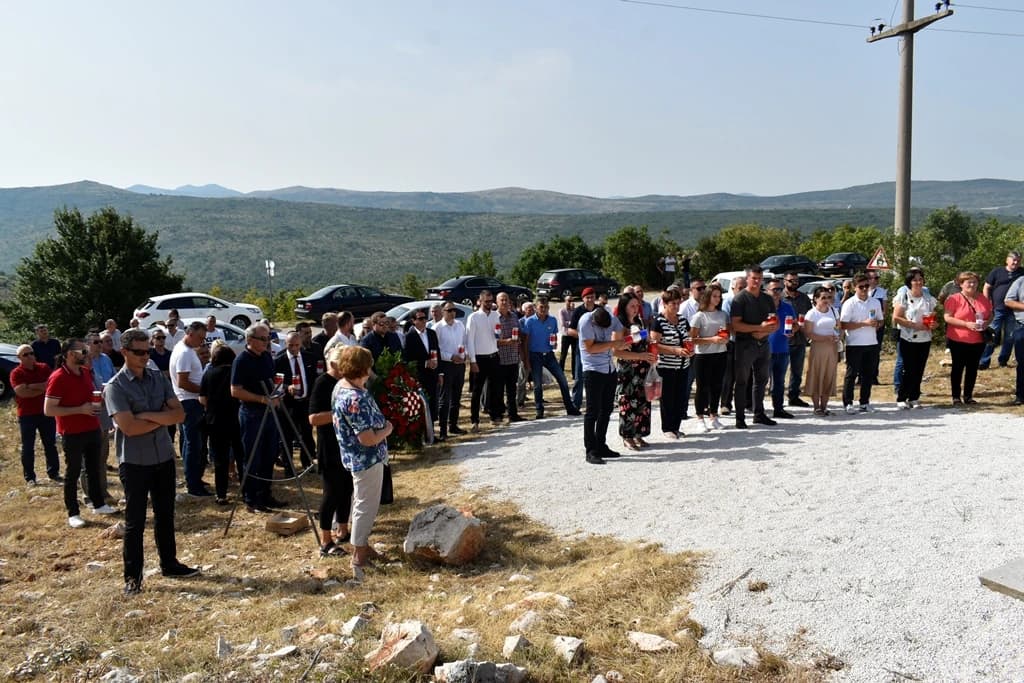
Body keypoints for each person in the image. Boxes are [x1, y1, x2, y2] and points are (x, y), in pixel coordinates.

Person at [105, 329, 197, 595]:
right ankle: (133, 579)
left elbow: (179, 415)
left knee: (165, 515)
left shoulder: (157, 378)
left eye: (147, 351)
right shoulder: (116, 386)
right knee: (135, 522)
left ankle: (170, 564)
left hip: (163, 457)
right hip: (134, 461)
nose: (146, 356)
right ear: (124, 352)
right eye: (139, 352)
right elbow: (129, 428)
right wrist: (160, 416)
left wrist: (146, 415)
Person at [332, 345, 393, 580]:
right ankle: (358, 555)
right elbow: (367, 438)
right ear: (362, 368)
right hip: (366, 458)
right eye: (368, 365)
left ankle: (363, 546)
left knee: (360, 501)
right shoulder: (354, 398)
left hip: (354, 457)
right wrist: (387, 430)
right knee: (365, 506)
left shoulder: (342, 387)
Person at [44, 339, 117, 528]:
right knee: (73, 472)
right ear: (70, 354)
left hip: (92, 427)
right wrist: (80, 409)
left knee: (94, 468)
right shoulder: (58, 377)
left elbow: (89, 398)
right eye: (83, 351)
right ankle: (73, 512)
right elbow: (49, 410)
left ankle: (98, 503)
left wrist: (98, 401)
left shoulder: (85, 373)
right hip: (72, 432)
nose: (87, 354)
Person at [231, 323, 285, 513]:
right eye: (263, 339)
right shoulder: (242, 360)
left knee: (269, 454)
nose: (267, 342)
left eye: (268, 338)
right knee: (253, 456)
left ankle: (265, 493)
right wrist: (261, 399)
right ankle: (251, 497)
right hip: (252, 413)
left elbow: (272, 382)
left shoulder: (267, 357)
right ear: (250, 340)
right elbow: (235, 390)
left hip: (270, 413)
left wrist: (277, 394)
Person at [308, 345, 354, 556]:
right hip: (329, 445)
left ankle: (343, 529)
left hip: (346, 445)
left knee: (347, 489)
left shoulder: (346, 382)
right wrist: (339, 413)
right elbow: (313, 418)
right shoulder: (323, 383)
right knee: (331, 492)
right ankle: (325, 539)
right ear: (334, 364)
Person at [730, 265, 778, 428]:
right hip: (745, 345)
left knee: (762, 380)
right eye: (754, 278)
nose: (757, 281)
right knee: (742, 381)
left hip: (763, 344)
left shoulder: (767, 298)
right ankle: (740, 417)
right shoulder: (740, 299)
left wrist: (768, 330)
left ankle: (759, 413)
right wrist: (759, 328)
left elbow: (774, 321)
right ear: (747, 279)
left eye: (760, 278)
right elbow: (736, 325)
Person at [579, 305, 627, 464]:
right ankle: (590, 450)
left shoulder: (609, 317)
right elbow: (591, 348)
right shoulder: (586, 322)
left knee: (606, 410)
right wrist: (614, 343)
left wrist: (623, 340)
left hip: (609, 368)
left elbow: (620, 329)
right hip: (593, 370)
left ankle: (601, 445)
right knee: (592, 411)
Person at [170, 321, 211, 497]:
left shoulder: (183, 349)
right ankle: (193, 484)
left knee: (193, 443)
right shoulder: (185, 353)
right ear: (190, 333)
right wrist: (204, 391)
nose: (201, 342)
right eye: (200, 338)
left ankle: (194, 479)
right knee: (193, 444)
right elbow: (183, 382)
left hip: (189, 402)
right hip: (190, 402)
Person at [522, 297, 580, 420]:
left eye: (546, 307)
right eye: (541, 307)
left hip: (549, 355)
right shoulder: (529, 322)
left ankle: (570, 407)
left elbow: (553, 337)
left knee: (562, 380)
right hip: (535, 355)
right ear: (536, 308)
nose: (544, 310)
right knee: (538, 384)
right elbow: (525, 342)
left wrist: (554, 345)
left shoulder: (552, 320)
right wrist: (526, 360)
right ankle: (539, 410)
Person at [199, 343, 243, 504]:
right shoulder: (236, 373)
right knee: (241, 455)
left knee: (220, 459)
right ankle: (245, 491)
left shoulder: (209, 373)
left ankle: (221, 494)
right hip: (236, 418)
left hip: (215, 420)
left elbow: (202, 398)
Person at [11, 344, 61, 485]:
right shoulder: (16, 373)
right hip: (27, 415)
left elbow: (50, 385)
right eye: (25, 355)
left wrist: (30, 386)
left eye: (31, 353)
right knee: (28, 446)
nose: (29, 356)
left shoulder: (44, 367)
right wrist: (41, 387)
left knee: (50, 444)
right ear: (19, 358)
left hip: (45, 412)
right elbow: (21, 392)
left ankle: (54, 472)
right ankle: (30, 477)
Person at [613, 295, 655, 450]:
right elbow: (616, 351)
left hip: (643, 368)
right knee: (628, 402)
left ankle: (639, 433)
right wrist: (639, 355)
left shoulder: (640, 322)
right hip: (628, 370)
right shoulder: (619, 324)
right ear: (624, 307)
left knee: (643, 402)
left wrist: (650, 353)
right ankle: (627, 436)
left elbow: (646, 340)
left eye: (637, 305)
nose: (636, 308)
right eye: (632, 306)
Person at [943, 272, 992, 405]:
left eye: (975, 282)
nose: (972, 285)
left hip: (978, 340)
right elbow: (947, 317)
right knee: (957, 368)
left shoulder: (983, 298)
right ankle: (956, 396)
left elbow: (990, 314)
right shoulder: (954, 299)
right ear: (961, 284)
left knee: (972, 368)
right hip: (958, 339)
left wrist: (986, 323)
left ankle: (968, 396)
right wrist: (966, 324)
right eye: (969, 282)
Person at [650, 288, 692, 438]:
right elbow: (654, 345)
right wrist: (675, 350)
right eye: (672, 303)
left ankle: (676, 426)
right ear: (665, 304)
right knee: (668, 398)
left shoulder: (682, 320)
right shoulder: (658, 321)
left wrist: (689, 349)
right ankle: (667, 427)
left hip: (683, 365)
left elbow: (688, 338)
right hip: (666, 366)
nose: (676, 306)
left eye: (678, 303)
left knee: (680, 397)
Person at [892, 270, 938, 409]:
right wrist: (914, 325)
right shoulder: (903, 297)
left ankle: (914, 397)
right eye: (915, 280)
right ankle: (902, 397)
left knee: (919, 369)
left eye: (920, 279)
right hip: (908, 338)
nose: (918, 282)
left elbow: (933, 315)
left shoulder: (928, 298)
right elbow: (897, 317)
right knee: (909, 369)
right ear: (909, 282)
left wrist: (934, 324)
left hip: (924, 338)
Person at [839, 273, 884, 413]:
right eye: (861, 287)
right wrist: (863, 323)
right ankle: (848, 403)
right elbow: (843, 324)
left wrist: (877, 324)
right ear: (854, 288)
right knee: (852, 374)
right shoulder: (849, 303)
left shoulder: (875, 302)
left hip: (871, 342)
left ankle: (864, 402)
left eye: (866, 286)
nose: (864, 289)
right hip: (854, 343)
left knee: (868, 374)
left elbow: (881, 320)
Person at [689, 284, 730, 431]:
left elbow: (727, 332)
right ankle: (700, 417)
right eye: (714, 296)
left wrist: (724, 339)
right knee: (702, 387)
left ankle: (714, 416)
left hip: (720, 353)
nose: (717, 299)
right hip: (703, 356)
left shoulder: (723, 314)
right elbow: (692, 339)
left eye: (719, 296)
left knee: (717, 386)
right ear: (707, 297)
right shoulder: (699, 316)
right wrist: (711, 340)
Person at [275, 331, 318, 471]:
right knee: (286, 436)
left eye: (296, 345)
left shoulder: (309, 358)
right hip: (288, 404)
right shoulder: (279, 361)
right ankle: (288, 466)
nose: (293, 349)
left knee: (307, 433)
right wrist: (288, 387)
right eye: (290, 345)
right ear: (286, 344)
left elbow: (313, 378)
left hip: (305, 402)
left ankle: (308, 463)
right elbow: (276, 383)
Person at [979, 250, 1023, 370]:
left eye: (1018, 260)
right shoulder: (997, 271)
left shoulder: (1022, 273)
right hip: (996, 309)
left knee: (1010, 337)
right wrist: (987, 303)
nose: (1016, 262)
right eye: (1013, 260)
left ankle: (1003, 360)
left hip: (1014, 310)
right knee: (991, 334)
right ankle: (983, 361)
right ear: (1007, 260)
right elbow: (986, 287)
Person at [803, 287, 841, 416]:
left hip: (832, 348)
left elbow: (838, 327)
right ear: (816, 299)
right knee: (816, 374)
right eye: (823, 298)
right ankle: (816, 407)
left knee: (828, 375)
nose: (826, 300)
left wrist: (838, 337)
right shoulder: (812, 313)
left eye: (828, 297)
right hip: (818, 347)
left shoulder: (834, 311)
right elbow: (808, 333)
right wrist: (824, 338)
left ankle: (824, 406)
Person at [466, 290, 501, 430]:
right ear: (480, 301)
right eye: (486, 301)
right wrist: (473, 361)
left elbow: (497, 334)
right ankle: (475, 419)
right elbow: (470, 340)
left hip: (493, 355)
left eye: (490, 301)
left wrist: (498, 333)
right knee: (477, 390)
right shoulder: (473, 317)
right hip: (480, 358)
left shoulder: (495, 315)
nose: (489, 304)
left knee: (495, 388)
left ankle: (494, 415)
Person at [434, 303, 468, 440]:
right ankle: (443, 430)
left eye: (454, 310)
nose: (452, 313)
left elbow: (464, 343)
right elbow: (435, 349)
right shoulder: (438, 328)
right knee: (445, 398)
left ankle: (453, 425)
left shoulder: (460, 325)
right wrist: (450, 356)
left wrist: (464, 355)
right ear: (443, 312)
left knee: (456, 396)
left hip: (459, 365)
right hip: (446, 365)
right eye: (449, 310)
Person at [765, 279, 797, 420]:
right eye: (774, 290)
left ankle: (778, 408)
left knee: (779, 381)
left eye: (779, 289)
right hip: (765, 350)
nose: (777, 292)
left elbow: (795, 325)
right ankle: (758, 410)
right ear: (767, 291)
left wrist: (793, 331)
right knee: (761, 381)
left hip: (783, 349)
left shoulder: (787, 307)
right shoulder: (762, 308)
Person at [402, 309, 441, 421]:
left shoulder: (431, 333)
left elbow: (437, 351)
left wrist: (439, 372)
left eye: (425, 318)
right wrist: (424, 363)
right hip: (419, 376)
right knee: (421, 406)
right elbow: (407, 359)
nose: (424, 321)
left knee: (433, 404)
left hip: (432, 374)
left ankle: (432, 433)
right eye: (420, 319)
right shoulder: (409, 337)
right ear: (413, 321)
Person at [782, 271, 813, 407]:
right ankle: (776, 397)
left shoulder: (804, 298)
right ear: (784, 281)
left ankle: (793, 396)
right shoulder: (780, 297)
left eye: (796, 281)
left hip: (799, 339)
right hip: (782, 340)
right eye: (791, 280)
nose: (794, 283)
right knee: (779, 371)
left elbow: (810, 316)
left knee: (797, 371)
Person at [494, 292, 525, 424]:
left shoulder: (513, 316)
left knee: (512, 389)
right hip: (499, 359)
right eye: (502, 300)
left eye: (506, 300)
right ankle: (498, 414)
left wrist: (518, 340)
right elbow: (492, 340)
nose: (505, 302)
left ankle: (513, 414)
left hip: (513, 357)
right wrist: (506, 342)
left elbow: (518, 332)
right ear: (497, 302)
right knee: (498, 389)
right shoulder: (494, 318)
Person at [567, 288, 599, 409]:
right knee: (579, 377)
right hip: (582, 349)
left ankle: (597, 402)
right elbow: (570, 330)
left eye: (592, 296)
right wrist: (584, 336)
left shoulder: (599, 310)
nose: (590, 299)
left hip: (597, 347)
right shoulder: (578, 311)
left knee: (597, 376)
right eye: (587, 297)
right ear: (583, 298)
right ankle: (576, 403)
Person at [719, 275, 746, 415]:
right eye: (740, 288)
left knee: (746, 373)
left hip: (747, 342)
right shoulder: (728, 302)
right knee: (729, 375)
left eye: (744, 287)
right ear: (733, 288)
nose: (742, 290)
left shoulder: (748, 301)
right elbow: (730, 325)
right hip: (732, 342)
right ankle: (725, 404)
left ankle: (747, 403)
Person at [1003, 274, 1024, 405]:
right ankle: (1021, 395)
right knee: (1022, 363)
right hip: (1022, 326)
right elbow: (1008, 301)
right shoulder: (1021, 281)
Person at [559, 295, 577, 378]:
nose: (570, 302)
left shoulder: (575, 311)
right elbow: (563, 323)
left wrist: (573, 310)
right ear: (565, 301)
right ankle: (560, 372)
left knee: (574, 354)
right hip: (566, 335)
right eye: (569, 300)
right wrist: (571, 323)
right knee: (563, 354)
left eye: (572, 300)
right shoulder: (562, 311)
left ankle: (574, 373)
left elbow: (577, 321)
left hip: (573, 335)